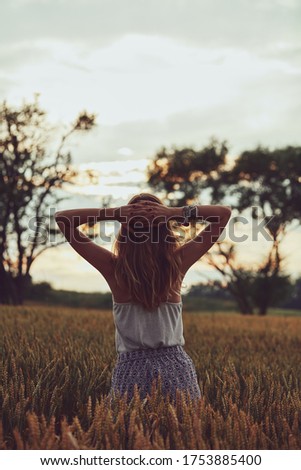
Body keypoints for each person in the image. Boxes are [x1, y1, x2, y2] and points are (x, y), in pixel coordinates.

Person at [55, 194, 231, 405]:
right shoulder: (177, 266)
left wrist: (115, 214)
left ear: (125, 230)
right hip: (176, 368)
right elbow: (223, 214)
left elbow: (63, 219)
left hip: (131, 369)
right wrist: (172, 213)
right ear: (166, 231)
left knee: (125, 435)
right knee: (182, 435)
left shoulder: (114, 270)